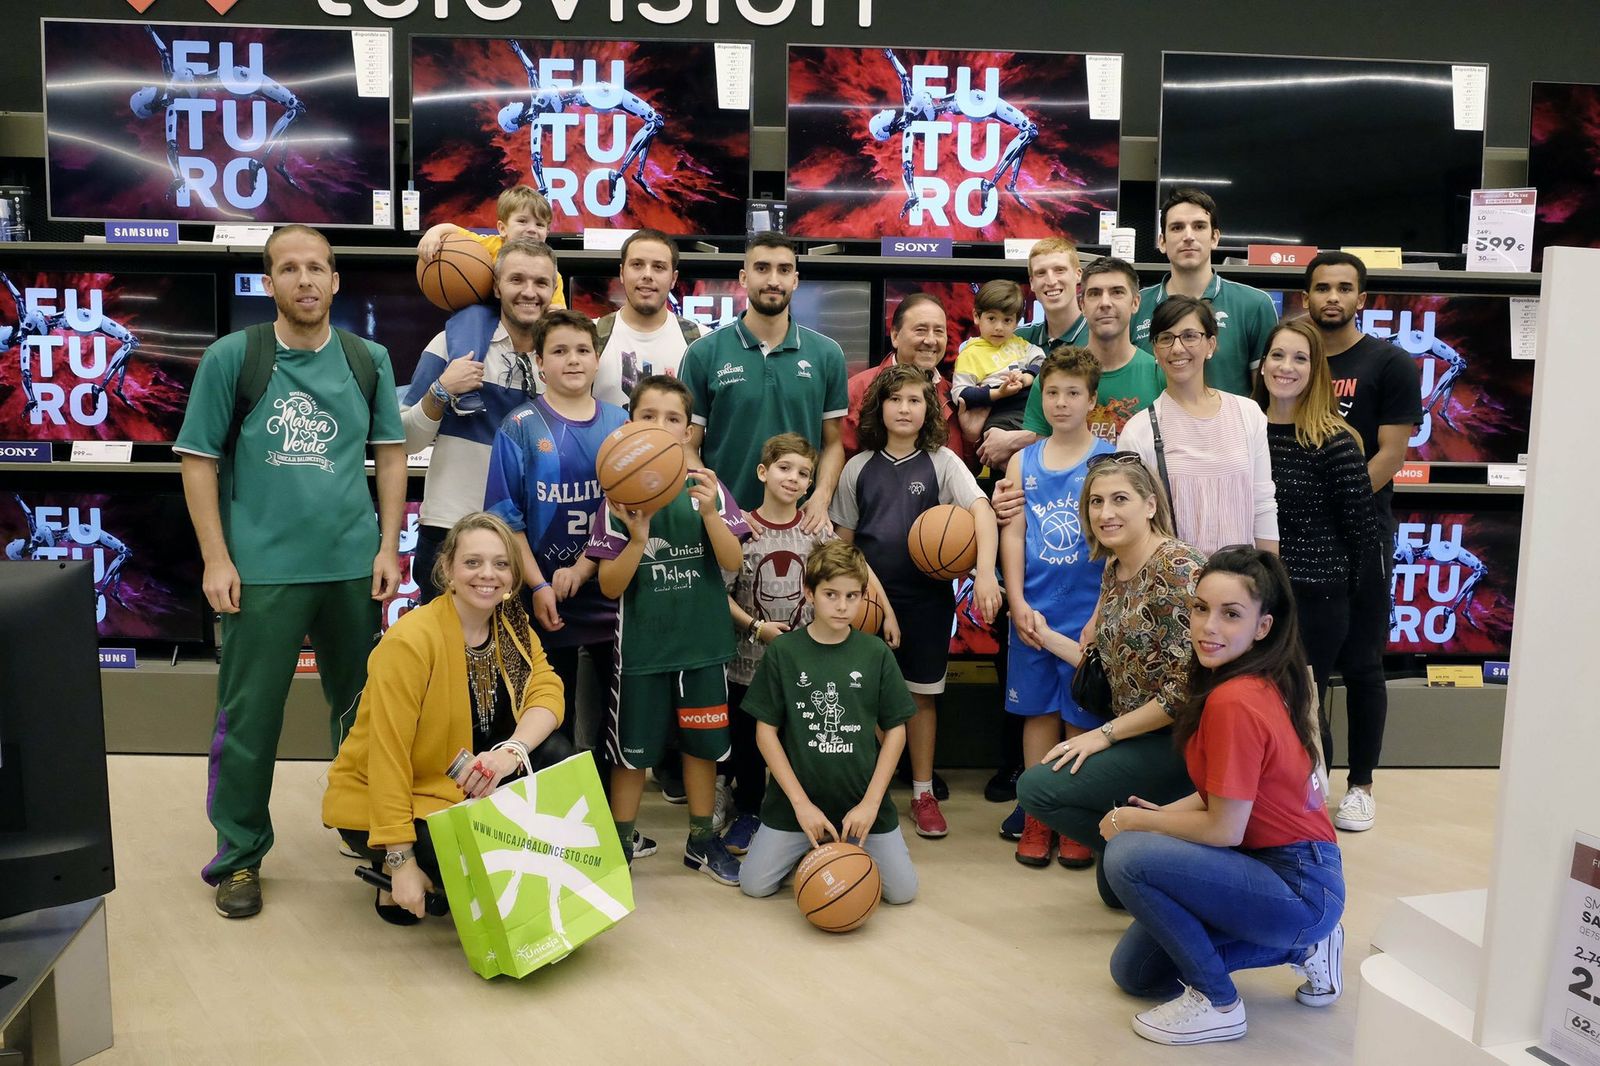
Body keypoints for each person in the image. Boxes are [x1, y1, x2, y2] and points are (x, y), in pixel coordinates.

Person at [174, 225, 407, 918]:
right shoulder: (232, 358)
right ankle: (239, 857)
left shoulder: (368, 359)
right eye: (288, 269)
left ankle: (370, 830)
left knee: (364, 711)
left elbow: (390, 454)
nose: (304, 280)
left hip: (350, 568)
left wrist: (388, 546)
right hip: (262, 572)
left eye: (317, 268)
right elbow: (198, 462)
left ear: (336, 281)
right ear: (268, 282)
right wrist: (217, 558)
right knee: (249, 719)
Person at [1101, 547, 1344, 1047]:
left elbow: (1223, 828)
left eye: (1231, 614)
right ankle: (1308, 948)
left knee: (1126, 855)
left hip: (1296, 882)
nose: (1209, 626)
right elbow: (1221, 796)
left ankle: (1219, 1003)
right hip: (1283, 874)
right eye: (1200, 608)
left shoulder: (1235, 699)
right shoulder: (1248, 680)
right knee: (1138, 974)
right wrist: (1162, 815)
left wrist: (1136, 823)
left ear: (1262, 626)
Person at [321, 513, 575, 924]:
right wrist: (402, 859)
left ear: (512, 575)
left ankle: (451, 867)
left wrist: (510, 753)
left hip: (469, 780)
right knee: (466, 871)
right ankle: (392, 866)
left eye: (501, 564)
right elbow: (387, 757)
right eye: (472, 562)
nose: (487, 575)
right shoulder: (412, 641)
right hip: (400, 794)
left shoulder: (509, 623)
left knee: (556, 752)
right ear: (447, 570)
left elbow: (546, 690)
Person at [1015, 455, 1204, 906]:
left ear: (1150, 505)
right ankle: (1142, 844)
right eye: (1096, 502)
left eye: (1120, 499)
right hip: (1138, 733)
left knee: (1035, 787)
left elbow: (1185, 692)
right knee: (1115, 890)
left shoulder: (1178, 568)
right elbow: (1099, 661)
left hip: (1184, 740)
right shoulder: (1115, 567)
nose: (1105, 513)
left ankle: (1166, 834)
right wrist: (1044, 636)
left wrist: (1102, 736)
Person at [586, 375, 750, 883]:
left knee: (703, 751)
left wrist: (710, 516)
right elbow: (610, 588)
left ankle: (702, 839)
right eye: (648, 416)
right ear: (630, 423)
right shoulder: (618, 495)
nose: (660, 426)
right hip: (642, 653)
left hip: (701, 648)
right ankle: (620, 841)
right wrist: (636, 539)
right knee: (631, 755)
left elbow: (733, 562)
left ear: (689, 430)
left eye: (673, 418)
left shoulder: (708, 487)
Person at [829, 364, 1001, 838]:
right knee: (863, 699)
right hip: (868, 599)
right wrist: (866, 600)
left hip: (927, 599)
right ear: (878, 407)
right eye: (895, 399)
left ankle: (922, 791)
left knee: (921, 698)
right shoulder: (857, 467)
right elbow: (845, 547)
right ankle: (870, 790)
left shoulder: (942, 461)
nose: (904, 408)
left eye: (915, 400)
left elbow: (981, 510)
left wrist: (984, 572)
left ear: (929, 409)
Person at [1304, 251, 1422, 833]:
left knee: (1363, 665)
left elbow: (1392, 455)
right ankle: (1311, 778)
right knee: (1304, 667)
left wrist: (1335, 504)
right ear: (1306, 298)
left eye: (1344, 288)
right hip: (1299, 537)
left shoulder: (1391, 362)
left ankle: (1363, 786)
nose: (1332, 297)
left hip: (1363, 533)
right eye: (1322, 287)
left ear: (1362, 299)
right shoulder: (1290, 359)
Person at [738, 541, 920, 904]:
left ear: (864, 597)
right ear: (808, 593)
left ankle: (838, 850)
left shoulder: (876, 653)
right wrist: (801, 805)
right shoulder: (784, 652)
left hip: (862, 803)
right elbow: (765, 733)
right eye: (831, 594)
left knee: (902, 893)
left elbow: (897, 732)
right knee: (754, 885)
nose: (842, 606)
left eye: (852, 596)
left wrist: (871, 803)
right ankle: (813, 850)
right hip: (797, 805)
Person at [484, 309, 627, 739]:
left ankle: (602, 802)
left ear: (598, 359)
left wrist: (584, 567)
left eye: (583, 350)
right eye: (559, 351)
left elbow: (625, 509)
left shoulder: (621, 424)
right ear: (539, 363)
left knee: (609, 723)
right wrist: (540, 585)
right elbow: (506, 519)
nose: (573, 359)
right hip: (542, 597)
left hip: (609, 594)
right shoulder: (519, 427)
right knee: (548, 718)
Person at [1000, 347, 1115, 867]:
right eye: (1052, 392)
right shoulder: (1023, 458)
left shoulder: (1107, 459)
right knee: (1038, 713)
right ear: (1040, 397)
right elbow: (1015, 530)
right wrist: (1016, 600)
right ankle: (1038, 814)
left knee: (1080, 716)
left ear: (1092, 400)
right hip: (1034, 612)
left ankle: (1074, 814)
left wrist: (1100, 615)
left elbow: (1118, 545)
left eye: (1074, 393)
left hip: (1086, 613)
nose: (1062, 402)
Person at [1253, 318, 1382, 761]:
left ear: (1316, 371)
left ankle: (1311, 815)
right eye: (1277, 355)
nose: (1286, 366)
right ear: (1262, 364)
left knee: (1301, 708)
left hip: (1315, 602)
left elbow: (1363, 537)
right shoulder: (1242, 433)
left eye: (1300, 358)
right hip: (1250, 600)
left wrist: (1331, 592)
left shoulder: (1336, 442)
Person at [403, 238, 559, 602]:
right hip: (450, 528)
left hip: (528, 536)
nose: (529, 292)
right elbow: (406, 441)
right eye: (516, 279)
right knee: (446, 656)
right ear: (496, 285)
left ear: (554, 290)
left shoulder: (560, 358)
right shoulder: (451, 344)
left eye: (541, 283)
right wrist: (441, 390)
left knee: (524, 657)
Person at [679, 233, 847, 524]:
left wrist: (821, 496)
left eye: (783, 270)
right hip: (723, 526)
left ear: (795, 280)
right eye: (762, 268)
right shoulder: (703, 353)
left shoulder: (828, 354)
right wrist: (720, 507)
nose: (773, 280)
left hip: (800, 525)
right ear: (744, 278)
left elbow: (832, 443)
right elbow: (686, 446)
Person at [723, 433, 833, 854]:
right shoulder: (741, 530)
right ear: (763, 472)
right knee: (750, 748)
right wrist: (755, 628)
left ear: (810, 484)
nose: (793, 478)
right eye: (784, 468)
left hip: (802, 666)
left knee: (799, 743)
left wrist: (887, 611)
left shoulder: (815, 530)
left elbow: (850, 574)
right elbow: (720, 593)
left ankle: (793, 811)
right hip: (747, 665)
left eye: (803, 473)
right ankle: (748, 810)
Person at [1117, 296, 1278, 558]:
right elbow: (1133, 521)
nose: (1178, 348)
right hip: (1172, 586)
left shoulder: (1248, 415)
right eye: (1166, 338)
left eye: (1190, 336)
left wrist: (1272, 577)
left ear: (1210, 344)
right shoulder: (1139, 430)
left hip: (1241, 583)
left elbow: (1263, 504)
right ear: (1155, 350)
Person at [1130, 189, 1279, 397]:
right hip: (1152, 428)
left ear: (1215, 237)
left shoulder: (1254, 305)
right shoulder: (1134, 307)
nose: (1188, 236)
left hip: (1231, 430)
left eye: (1199, 226)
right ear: (1162, 242)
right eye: (1177, 227)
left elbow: (1267, 396)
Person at [978, 237, 1089, 471]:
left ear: (1078, 274)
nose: (1051, 281)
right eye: (1041, 273)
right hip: (1016, 473)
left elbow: (1097, 419)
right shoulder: (1017, 338)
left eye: (1060, 270)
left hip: (1079, 470)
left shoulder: (1096, 339)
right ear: (1032, 282)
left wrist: (1017, 439)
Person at [841, 292, 965, 459]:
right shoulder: (858, 390)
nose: (931, 340)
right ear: (895, 336)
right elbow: (839, 462)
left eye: (938, 331)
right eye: (921, 330)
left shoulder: (955, 396)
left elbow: (966, 469)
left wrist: (971, 437)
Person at [592, 228, 706, 408]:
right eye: (637, 264)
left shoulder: (701, 342)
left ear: (673, 278)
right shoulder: (590, 336)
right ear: (622, 273)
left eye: (658, 267)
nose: (647, 275)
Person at [417, 184, 567, 310]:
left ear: (547, 233)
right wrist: (433, 234)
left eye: (539, 224)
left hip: (525, 321)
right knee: (471, 316)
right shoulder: (489, 245)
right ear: (502, 228)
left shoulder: (550, 272)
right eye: (522, 221)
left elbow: (557, 310)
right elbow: (453, 229)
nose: (532, 229)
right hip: (488, 315)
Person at [953, 279, 1046, 445]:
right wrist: (998, 393)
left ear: (1017, 322)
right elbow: (960, 394)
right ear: (976, 316)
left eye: (1007, 320)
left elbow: (1041, 360)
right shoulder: (970, 353)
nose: (999, 327)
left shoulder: (1020, 343)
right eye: (991, 318)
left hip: (1031, 410)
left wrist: (1027, 377)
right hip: (999, 414)